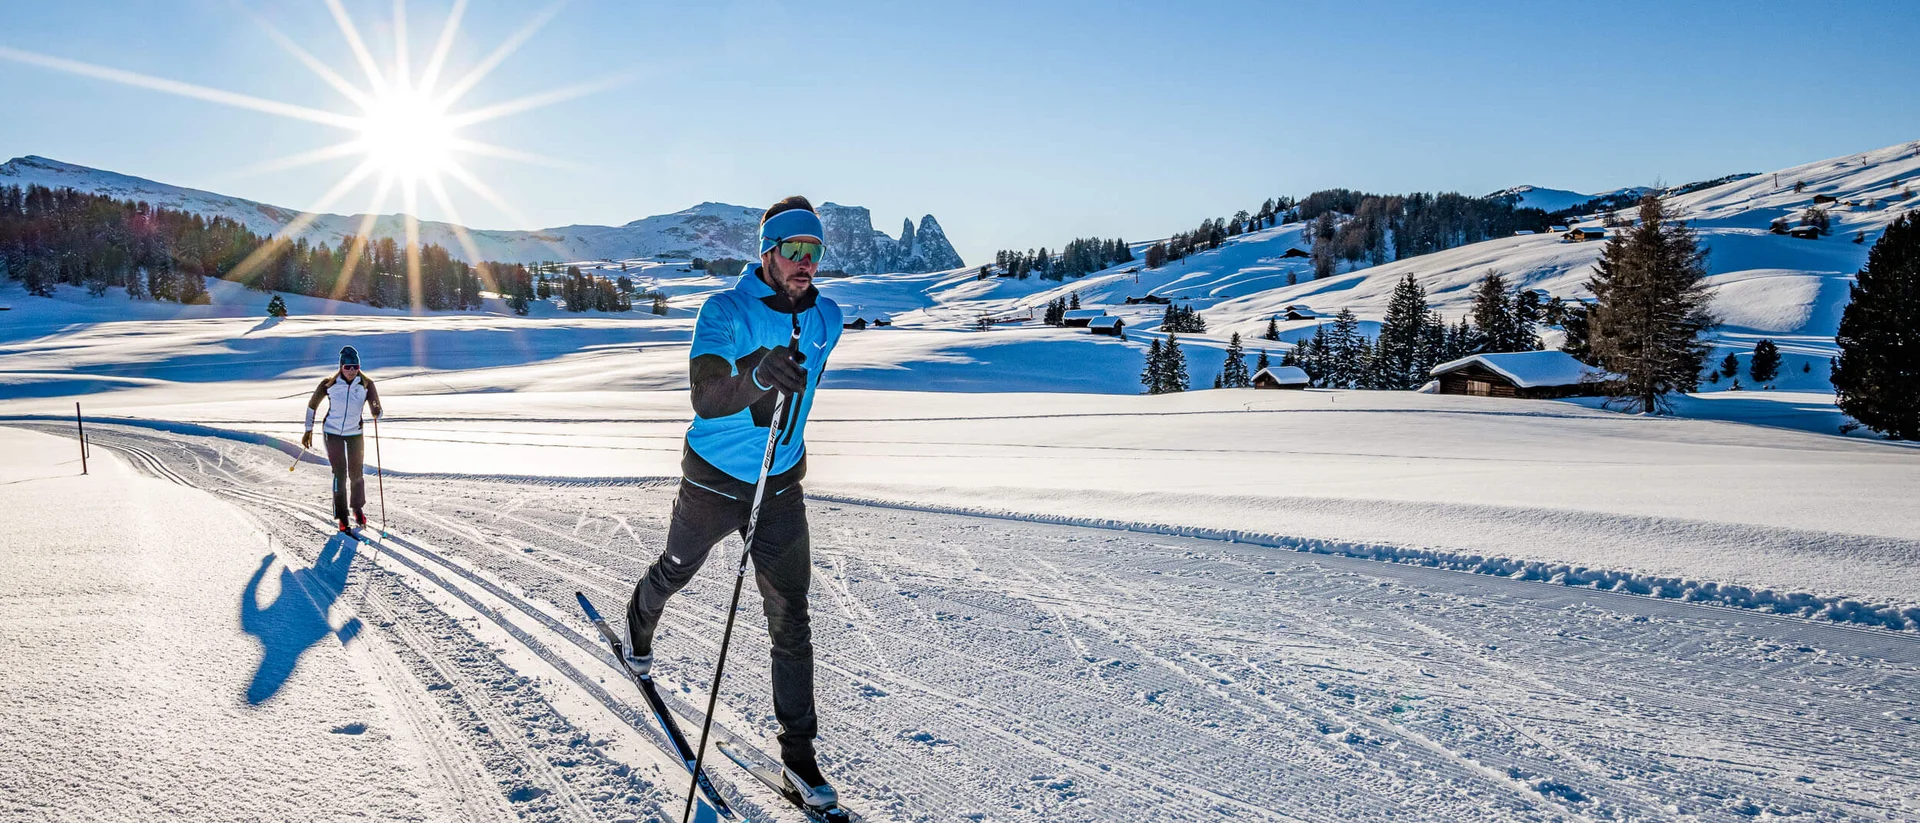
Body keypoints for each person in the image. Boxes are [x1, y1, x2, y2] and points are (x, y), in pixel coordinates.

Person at [625, 195, 843, 810]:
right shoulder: (723, 310)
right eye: (793, 250)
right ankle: (638, 625)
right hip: (715, 480)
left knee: (790, 615)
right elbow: (706, 395)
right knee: (677, 569)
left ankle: (799, 759)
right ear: (767, 252)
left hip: (780, 485)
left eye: (814, 252)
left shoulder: (828, 318)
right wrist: (758, 376)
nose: (805, 263)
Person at [303, 346, 383, 532]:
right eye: (347, 367)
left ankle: (357, 509)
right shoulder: (329, 384)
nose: (352, 370)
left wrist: (376, 411)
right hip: (332, 433)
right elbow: (312, 406)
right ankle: (342, 516)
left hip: (355, 433)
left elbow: (377, 408)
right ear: (341, 367)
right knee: (340, 474)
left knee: (356, 473)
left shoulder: (366, 384)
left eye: (355, 366)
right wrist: (308, 430)